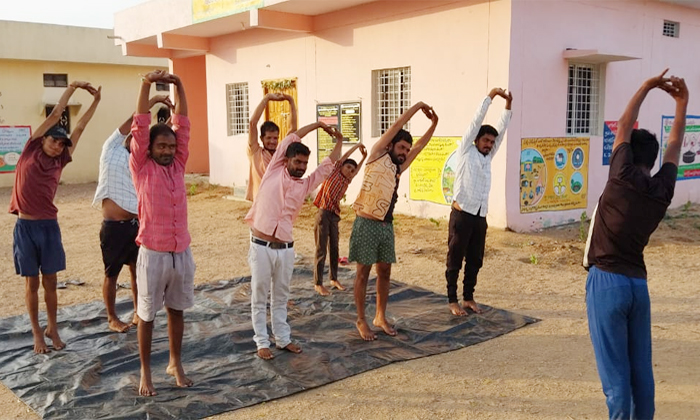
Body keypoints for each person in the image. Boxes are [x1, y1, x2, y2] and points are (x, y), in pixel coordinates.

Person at [583, 70, 688, 420]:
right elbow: (674, 145)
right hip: (637, 286)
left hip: (607, 282)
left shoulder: (620, 176)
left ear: (627, 154)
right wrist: (681, 103)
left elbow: (625, 123)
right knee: (641, 373)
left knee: (615, 379)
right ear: (654, 161)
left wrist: (646, 85)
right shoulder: (663, 190)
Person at [10, 81, 101, 354]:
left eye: (62, 143)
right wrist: (72, 88)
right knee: (32, 283)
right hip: (25, 226)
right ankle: (37, 332)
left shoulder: (61, 160)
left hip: (49, 227)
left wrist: (96, 101)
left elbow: (81, 127)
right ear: (43, 139)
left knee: (51, 281)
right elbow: (54, 115)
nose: (57, 146)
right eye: (54, 140)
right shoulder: (31, 149)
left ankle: (53, 328)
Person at [245, 120, 344, 360]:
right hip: (261, 247)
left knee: (280, 297)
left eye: (304, 163)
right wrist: (318, 125)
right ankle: (261, 342)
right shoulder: (274, 171)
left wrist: (339, 141)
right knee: (260, 297)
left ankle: (283, 339)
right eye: (297, 161)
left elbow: (327, 166)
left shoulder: (305, 184)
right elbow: (292, 136)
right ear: (286, 160)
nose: (300, 167)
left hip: (285, 249)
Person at [350, 102, 438, 341]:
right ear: (390, 145)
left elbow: (419, 148)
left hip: (386, 226)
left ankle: (380, 316)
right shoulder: (377, 154)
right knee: (363, 273)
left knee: (385, 272)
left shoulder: (398, 167)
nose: (405, 152)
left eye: (406, 149)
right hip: (366, 223)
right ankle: (361, 319)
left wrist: (434, 124)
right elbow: (397, 124)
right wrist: (418, 107)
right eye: (401, 147)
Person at [130, 70, 194, 396]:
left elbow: (183, 123)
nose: (168, 150)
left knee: (177, 310)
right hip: (153, 253)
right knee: (146, 314)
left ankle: (175, 362)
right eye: (162, 145)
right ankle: (145, 371)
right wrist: (146, 85)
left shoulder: (179, 164)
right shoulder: (141, 167)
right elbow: (140, 125)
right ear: (150, 148)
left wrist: (179, 83)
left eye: (171, 145)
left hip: (180, 251)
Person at [92, 95, 174, 333]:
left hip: (138, 224)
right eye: (132, 130)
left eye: (138, 133)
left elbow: (162, 137)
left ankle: (140, 312)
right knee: (112, 274)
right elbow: (132, 121)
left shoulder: (142, 159)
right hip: (114, 226)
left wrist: (171, 117)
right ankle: (112, 317)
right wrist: (151, 102)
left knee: (139, 271)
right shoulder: (111, 149)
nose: (133, 134)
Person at [445, 88, 513, 316]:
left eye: (491, 142)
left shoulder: (488, 157)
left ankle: (468, 298)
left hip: (480, 217)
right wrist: (491, 97)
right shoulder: (466, 150)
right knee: (455, 259)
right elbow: (476, 121)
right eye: (485, 140)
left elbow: (502, 133)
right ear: (476, 139)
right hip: (462, 215)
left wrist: (508, 106)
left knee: (475, 260)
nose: (489, 144)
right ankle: (452, 299)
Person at [313, 142, 367, 296]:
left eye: (352, 171)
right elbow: (344, 157)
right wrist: (357, 146)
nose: (350, 171)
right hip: (323, 213)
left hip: (334, 215)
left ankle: (333, 279)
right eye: (348, 168)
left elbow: (356, 172)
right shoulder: (335, 171)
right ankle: (318, 283)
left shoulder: (347, 181)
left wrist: (364, 157)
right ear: (341, 166)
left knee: (335, 249)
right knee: (321, 248)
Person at [246, 93, 297, 201]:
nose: (272, 141)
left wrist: (291, 101)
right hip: (261, 203)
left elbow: (293, 129)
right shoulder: (255, 152)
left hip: (278, 202)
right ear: (261, 138)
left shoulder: (281, 152)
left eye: (275, 138)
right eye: (268, 138)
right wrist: (267, 98)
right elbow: (252, 123)